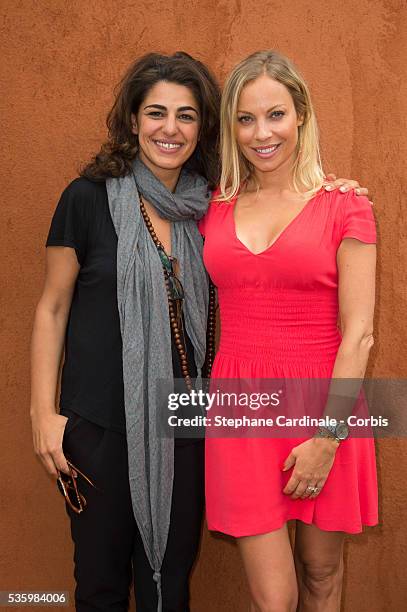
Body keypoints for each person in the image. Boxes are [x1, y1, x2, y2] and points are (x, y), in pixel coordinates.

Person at [30, 50, 370, 612]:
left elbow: (297, 233)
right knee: (100, 585)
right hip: (99, 422)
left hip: (187, 419)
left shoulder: (204, 204)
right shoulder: (88, 199)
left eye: (186, 115)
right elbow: (51, 308)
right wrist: (44, 415)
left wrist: (334, 195)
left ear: (203, 128)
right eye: (156, 112)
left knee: (173, 584)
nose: (170, 128)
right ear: (133, 119)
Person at [200, 50, 377, 612]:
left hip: (326, 404)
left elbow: (360, 336)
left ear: (300, 113)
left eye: (275, 114)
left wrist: (327, 439)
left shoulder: (346, 206)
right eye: (246, 119)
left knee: (322, 573)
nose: (261, 133)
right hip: (241, 409)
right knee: (273, 598)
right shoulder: (213, 207)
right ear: (232, 127)